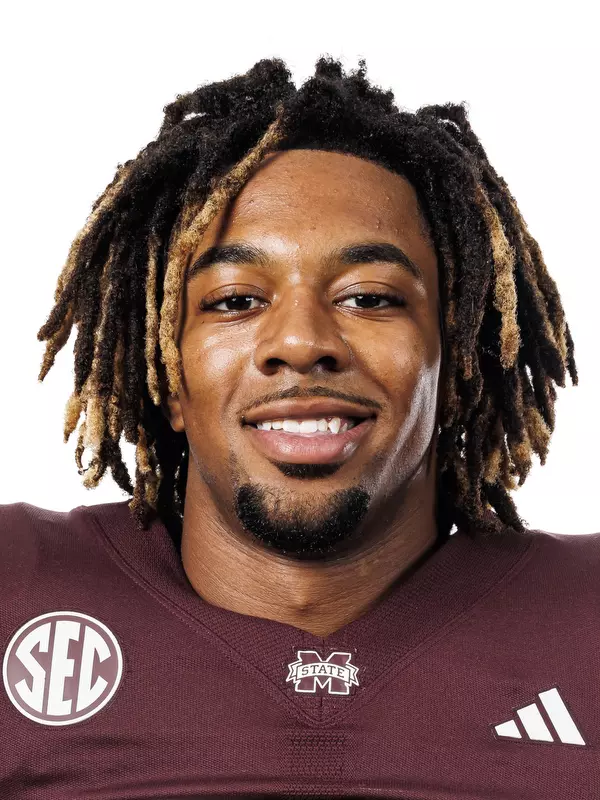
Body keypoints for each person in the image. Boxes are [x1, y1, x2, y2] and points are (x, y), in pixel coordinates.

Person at [1, 56, 597, 800]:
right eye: (234, 300)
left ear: (458, 367)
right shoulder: (15, 584)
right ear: (166, 372)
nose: (300, 340)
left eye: (370, 297)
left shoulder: (587, 620)